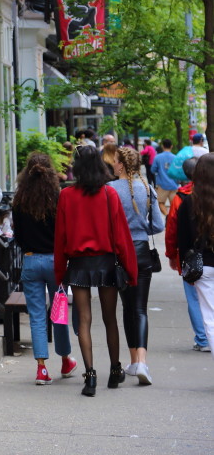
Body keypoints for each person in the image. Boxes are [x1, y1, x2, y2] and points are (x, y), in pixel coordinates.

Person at [54, 144, 138, 397]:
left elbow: (60, 237)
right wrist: (131, 270)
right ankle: (115, 370)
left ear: (77, 166)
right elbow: (121, 236)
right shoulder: (109, 194)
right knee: (110, 318)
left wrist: (59, 272)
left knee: (84, 320)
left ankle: (90, 376)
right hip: (107, 263)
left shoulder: (66, 195)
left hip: (79, 264)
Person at [12, 152, 78, 385]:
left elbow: (18, 236)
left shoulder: (19, 199)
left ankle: (41, 368)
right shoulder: (58, 198)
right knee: (59, 314)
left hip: (31, 261)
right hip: (55, 262)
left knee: (37, 316)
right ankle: (65, 360)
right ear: (50, 172)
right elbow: (67, 232)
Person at [110, 146, 164, 385]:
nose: (112, 164)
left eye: (114, 161)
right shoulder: (147, 187)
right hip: (142, 251)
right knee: (140, 308)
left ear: (121, 165)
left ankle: (133, 360)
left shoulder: (110, 189)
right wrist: (141, 227)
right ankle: (141, 362)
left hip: (120, 253)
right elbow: (158, 225)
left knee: (127, 307)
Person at [164, 156, 210, 352]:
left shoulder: (184, 199)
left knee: (197, 302)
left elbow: (176, 232)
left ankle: (203, 339)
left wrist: (176, 258)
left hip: (197, 262)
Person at [177, 153, 214, 354]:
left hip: (203, 266)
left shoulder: (189, 203)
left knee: (210, 318)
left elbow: (182, 241)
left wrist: (186, 269)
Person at [151, 138, 179, 215]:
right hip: (174, 185)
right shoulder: (175, 158)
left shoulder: (157, 157)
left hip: (162, 185)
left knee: (160, 203)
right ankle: (173, 218)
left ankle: (167, 215)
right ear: (171, 146)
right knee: (174, 205)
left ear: (162, 146)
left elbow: (153, 170)